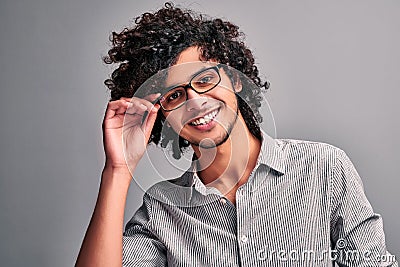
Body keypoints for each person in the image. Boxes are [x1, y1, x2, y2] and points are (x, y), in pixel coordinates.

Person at [75, 3, 398, 266]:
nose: (196, 101)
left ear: (235, 79)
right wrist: (118, 170)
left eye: (204, 79)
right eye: (174, 96)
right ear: (163, 118)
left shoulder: (324, 168)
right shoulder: (162, 209)